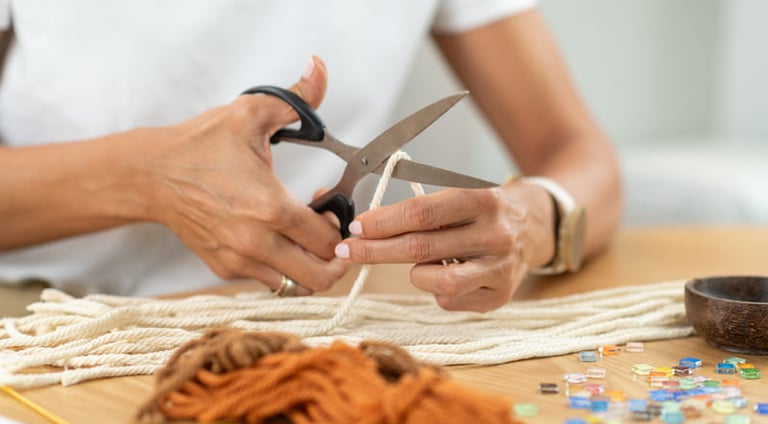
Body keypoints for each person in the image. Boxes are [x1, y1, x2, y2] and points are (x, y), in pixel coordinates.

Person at [0, 1, 621, 312]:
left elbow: (579, 153)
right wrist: (146, 178)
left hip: (284, 320)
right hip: (34, 311)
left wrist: (534, 220)